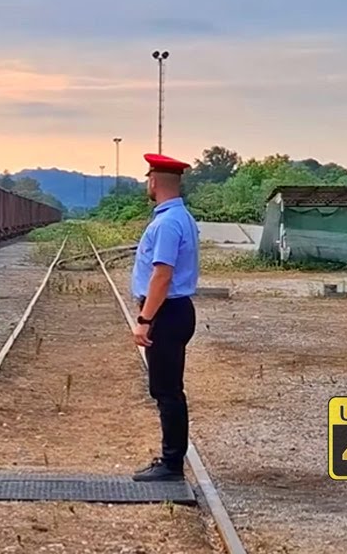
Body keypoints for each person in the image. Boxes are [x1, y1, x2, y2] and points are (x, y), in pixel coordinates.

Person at [130, 152, 200, 483]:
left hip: (166, 312)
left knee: (167, 390)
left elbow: (162, 275)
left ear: (154, 181)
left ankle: (172, 464)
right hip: (174, 310)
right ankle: (171, 458)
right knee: (169, 388)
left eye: (148, 179)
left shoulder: (168, 222)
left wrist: (145, 319)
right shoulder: (179, 217)